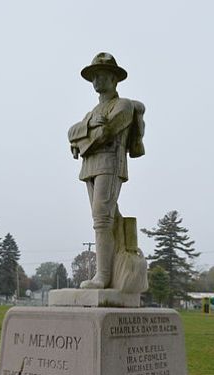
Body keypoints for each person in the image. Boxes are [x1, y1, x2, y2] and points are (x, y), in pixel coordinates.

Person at [68, 52, 145, 289]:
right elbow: (71, 132)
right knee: (105, 219)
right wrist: (87, 127)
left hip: (109, 163)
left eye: (102, 75)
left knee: (102, 218)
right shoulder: (92, 113)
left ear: (114, 79)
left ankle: (103, 277)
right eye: (94, 77)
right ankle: (108, 272)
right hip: (90, 166)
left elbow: (105, 133)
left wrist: (83, 137)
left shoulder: (123, 106)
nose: (96, 81)